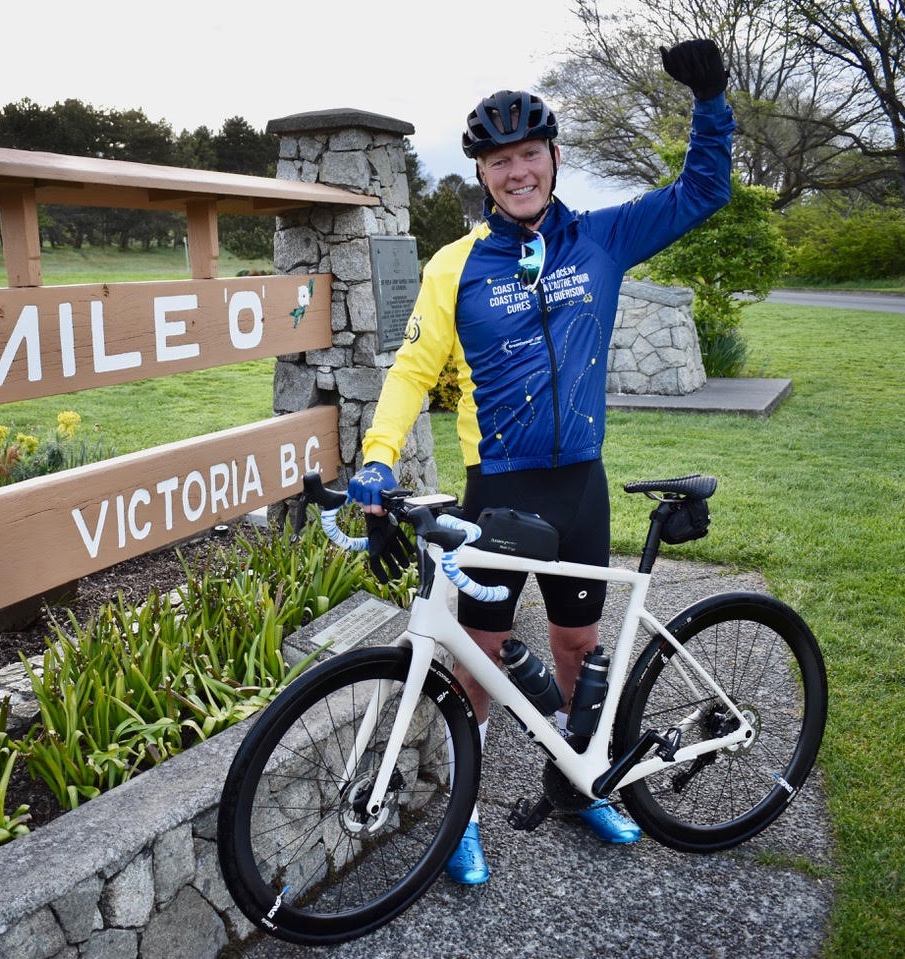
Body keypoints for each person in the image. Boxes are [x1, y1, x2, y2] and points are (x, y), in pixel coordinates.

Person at [348, 38, 735, 884]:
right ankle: (464, 813)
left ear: (555, 158)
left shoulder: (601, 240)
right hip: (499, 491)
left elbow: (703, 191)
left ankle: (577, 779)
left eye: (529, 154)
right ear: (483, 175)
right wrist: (378, 458)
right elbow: (411, 370)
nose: (517, 171)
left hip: (578, 487)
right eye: (500, 161)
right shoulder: (455, 267)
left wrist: (711, 105)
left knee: (578, 644)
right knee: (479, 662)